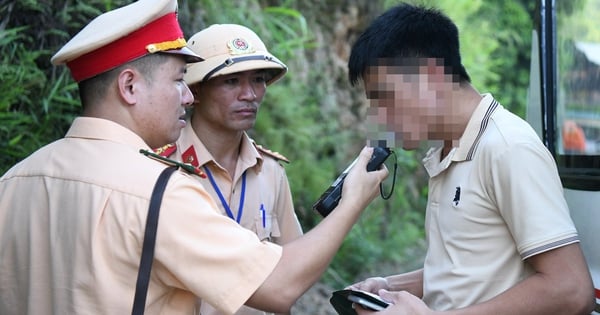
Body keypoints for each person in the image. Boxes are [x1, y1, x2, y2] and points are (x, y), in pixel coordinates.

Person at [0, 1, 388, 314]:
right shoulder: (159, 190)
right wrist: (353, 200)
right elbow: (279, 286)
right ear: (130, 86)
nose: (188, 96)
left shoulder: (14, 182)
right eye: (177, 82)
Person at [345, 3, 595, 315]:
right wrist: (387, 286)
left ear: (431, 76)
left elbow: (571, 290)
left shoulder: (507, 148)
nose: (379, 116)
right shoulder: (449, 151)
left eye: (384, 97)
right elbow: (465, 270)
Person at [154, 23, 303, 315]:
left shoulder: (271, 172)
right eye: (231, 81)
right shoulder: (161, 169)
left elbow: (292, 269)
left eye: (258, 79)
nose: (249, 94)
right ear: (195, 89)